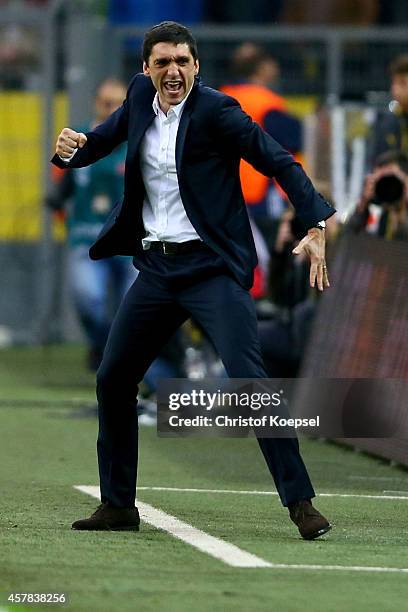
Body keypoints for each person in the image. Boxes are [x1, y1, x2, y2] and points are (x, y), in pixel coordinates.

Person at [52, 21, 335, 539]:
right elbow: (106, 139)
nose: (173, 70)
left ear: (196, 66)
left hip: (210, 269)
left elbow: (278, 161)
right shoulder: (139, 98)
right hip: (158, 270)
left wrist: (315, 222)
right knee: (114, 379)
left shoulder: (218, 112)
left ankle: (301, 504)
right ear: (146, 70)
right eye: (162, 62)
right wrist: (76, 146)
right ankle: (118, 505)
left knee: (251, 381)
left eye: (182, 61)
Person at [48, 78, 136, 371]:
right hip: (87, 238)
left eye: (117, 104)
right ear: (96, 103)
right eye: (105, 102)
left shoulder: (138, 139)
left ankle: (123, 361)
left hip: (130, 243)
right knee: (88, 300)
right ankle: (102, 345)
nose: (110, 108)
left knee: (134, 310)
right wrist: (59, 203)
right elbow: (64, 183)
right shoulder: (79, 137)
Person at [347, 150, 408, 240]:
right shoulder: (373, 211)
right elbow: (347, 240)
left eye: (392, 179)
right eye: (383, 180)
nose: (388, 186)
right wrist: (363, 204)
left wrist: (403, 208)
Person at [371, 55, 408, 163]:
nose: (395, 89)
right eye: (394, 82)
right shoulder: (385, 122)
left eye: (402, 83)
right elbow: (376, 163)